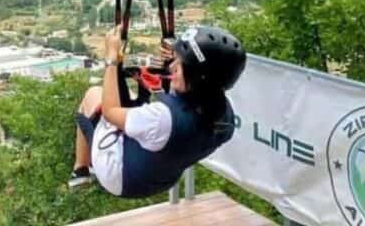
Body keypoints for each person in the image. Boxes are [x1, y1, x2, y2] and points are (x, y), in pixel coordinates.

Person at [69, 24, 245, 198]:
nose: (172, 66)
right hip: (163, 178)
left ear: (198, 77)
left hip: (119, 178)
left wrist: (111, 59)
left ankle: (81, 169)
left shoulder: (162, 118)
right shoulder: (224, 119)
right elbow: (185, 105)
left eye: (180, 64)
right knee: (130, 105)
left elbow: (111, 111)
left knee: (93, 95)